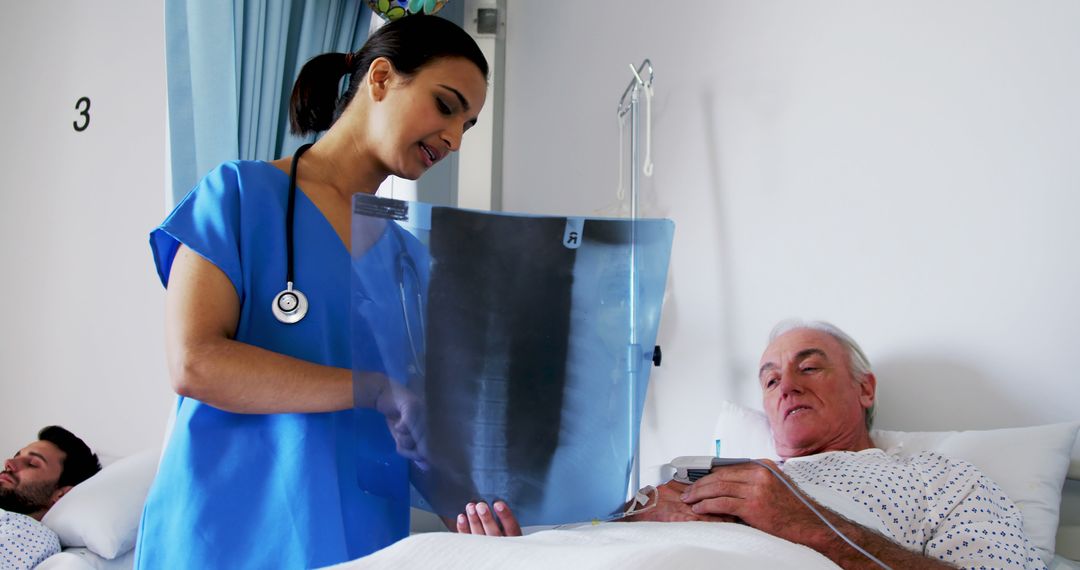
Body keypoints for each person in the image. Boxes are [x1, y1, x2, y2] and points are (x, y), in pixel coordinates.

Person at [135, 14, 488, 569]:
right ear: (379, 78)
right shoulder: (239, 196)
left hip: (359, 544)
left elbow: (417, 426)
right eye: (447, 105)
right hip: (224, 536)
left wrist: (480, 517)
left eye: (467, 127)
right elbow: (195, 363)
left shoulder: (411, 263)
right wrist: (370, 388)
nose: (452, 139)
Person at [459, 320, 1046, 570]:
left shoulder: (938, 479)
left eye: (808, 368)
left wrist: (805, 522)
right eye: (769, 379)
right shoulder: (693, 473)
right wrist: (525, 546)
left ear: (865, 387)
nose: (784, 384)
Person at [1, 426, 101, 569]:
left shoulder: (31, 536)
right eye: (17, 456)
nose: (9, 462)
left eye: (32, 464)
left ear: (60, 494)